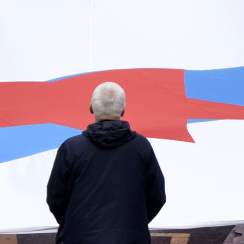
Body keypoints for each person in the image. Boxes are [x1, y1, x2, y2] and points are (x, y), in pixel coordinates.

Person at [46, 82, 166, 243]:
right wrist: (133, 224)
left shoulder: (71, 148)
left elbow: (55, 198)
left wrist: (74, 225)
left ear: (91, 108)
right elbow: (157, 196)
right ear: (123, 110)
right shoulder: (141, 146)